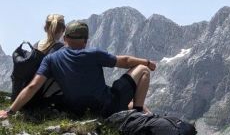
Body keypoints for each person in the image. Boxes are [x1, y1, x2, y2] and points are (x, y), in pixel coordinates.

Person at [1, 20, 157, 119]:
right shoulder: (94, 53)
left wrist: (10, 111)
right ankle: (137, 115)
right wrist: (148, 62)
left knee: (130, 101)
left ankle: (136, 109)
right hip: (107, 105)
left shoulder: (51, 59)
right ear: (86, 40)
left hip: (77, 110)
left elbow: (33, 86)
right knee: (142, 70)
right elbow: (126, 61)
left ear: (65, 38)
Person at [10, 13, 66, 106]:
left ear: (45, 28)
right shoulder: (62, 49)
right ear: (63, 29)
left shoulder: (36, 46)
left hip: (28, 94)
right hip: (44, 98)